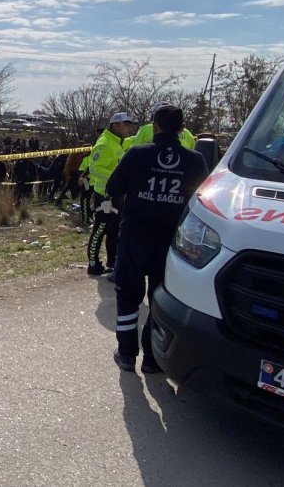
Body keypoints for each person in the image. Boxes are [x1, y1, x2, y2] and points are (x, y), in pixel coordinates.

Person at [107, 106, 208, 374]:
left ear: (155, 126)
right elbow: (203, 200)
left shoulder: (137, 155)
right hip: (170, 241)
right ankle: (152, 358)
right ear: (182, 128)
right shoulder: (195, 161)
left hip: (134, 236)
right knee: (159, 298)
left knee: (128, 295)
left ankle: (126, 354)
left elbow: (113, 188)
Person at [83, 112, 137, 278]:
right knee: (100, 230)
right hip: (104, 196)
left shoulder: (117, 142)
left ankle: (112, 261)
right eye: (126, 125)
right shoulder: (105, 143)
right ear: (116, 125)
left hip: (116, 195)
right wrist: (117, 178)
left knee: (114, 230)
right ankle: (93, 264)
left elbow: (132, 141)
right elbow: (95, 168)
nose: (128, 128)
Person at [128, 101, 197, 149]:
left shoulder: (145, 129)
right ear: (182, 127)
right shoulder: (187, 133)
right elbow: (194, 150)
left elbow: (134, 147)